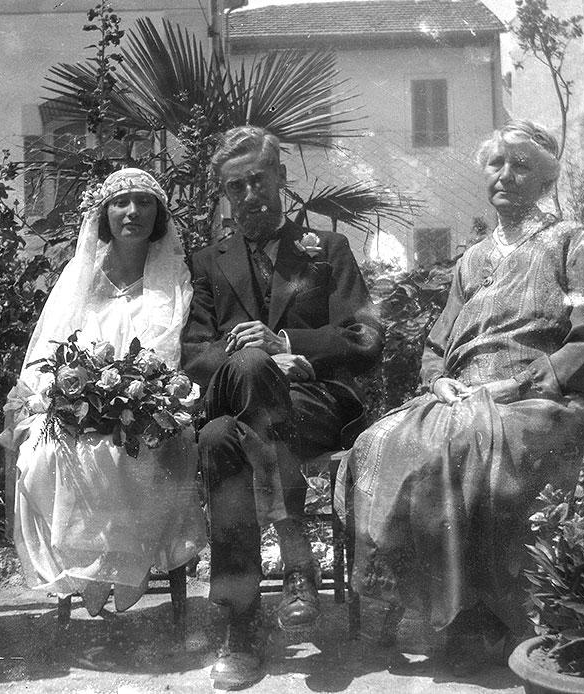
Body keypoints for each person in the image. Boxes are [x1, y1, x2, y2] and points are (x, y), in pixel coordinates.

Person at [341, 119, 584, 674]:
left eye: (522, 167)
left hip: (538, 396)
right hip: (464, 393)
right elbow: (439, 343)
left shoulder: (571, 242)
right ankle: (386, 596)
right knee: (377, 440)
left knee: (459, 443)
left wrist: (519, 383)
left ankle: (477, 616)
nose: (506, 176)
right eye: (497, 165)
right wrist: (438, 378)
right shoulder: (472, 258)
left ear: (544, 178)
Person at [182, 126, 382, 690]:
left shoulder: (328, 248)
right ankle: (295, 555)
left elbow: (366, 337)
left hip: (315, 401)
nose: (249, 196)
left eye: (258, 181)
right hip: (249, 398)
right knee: (245, 372)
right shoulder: (209, 261)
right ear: (224, 193)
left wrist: (288, 346)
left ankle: (240, 629)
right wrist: (250, 355)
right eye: (235, 186)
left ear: (281, 180)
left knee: (220, 439)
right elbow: (194, 355)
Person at [1, 168, 207, 617]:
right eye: (121, 202)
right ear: (104, 213)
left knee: (128, 453)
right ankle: (85, 575)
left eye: (144, 202)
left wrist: (136, 402)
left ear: (160, 215)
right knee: (42, 454)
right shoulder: (79, 277)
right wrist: (59, 400)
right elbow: (46, 352)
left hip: (146, 409)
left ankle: (118, 573)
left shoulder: (174, 278)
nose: (132, 212)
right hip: (76, 404)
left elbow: (173, 356)